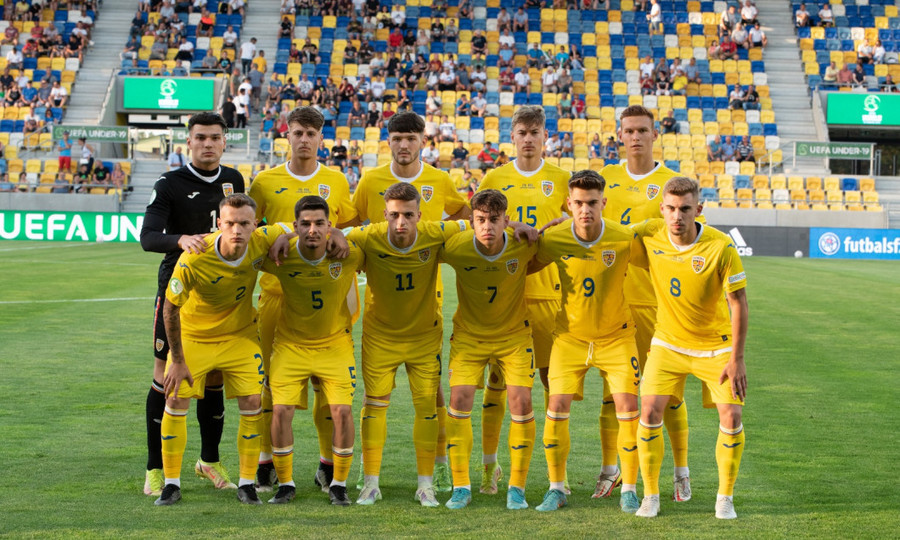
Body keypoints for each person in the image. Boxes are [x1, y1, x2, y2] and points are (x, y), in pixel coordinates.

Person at [348, 112, 471, 501]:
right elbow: (349, 224)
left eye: (411, 138)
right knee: (375, 400)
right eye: (397, 138)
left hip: (426, 302)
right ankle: (366, 478)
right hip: (382, 304)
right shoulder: (370, 181)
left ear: (423, 141)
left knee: (432, 395)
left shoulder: (439, 180)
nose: (404, 145)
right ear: (388, 141)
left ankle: (434, 471)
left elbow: (467, 218)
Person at [249, 106, 359, 492]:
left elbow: (345, 228)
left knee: (327, 387)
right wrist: (278, 230)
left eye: (311, 133)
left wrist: (343, 233)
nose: (304, 139)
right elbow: (252, 229)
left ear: (321, 138)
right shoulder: (264, 181)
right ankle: (266, 460)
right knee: (270, 385)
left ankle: (328, 463)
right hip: (278, 295)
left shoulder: (337, 179)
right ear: (288, 136)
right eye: (298, 132)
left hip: (328, 297)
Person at [139, 112, 246, 499]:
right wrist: (181, 238)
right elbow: (148, 236)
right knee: (166, 379)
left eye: (215, 138)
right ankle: (155, 468)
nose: (208, 144)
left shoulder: (235, 179)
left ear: (224, 141)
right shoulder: (169, 183)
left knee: (214, 376)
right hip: (177, 291)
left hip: (221, 298)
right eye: (200, 137)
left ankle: (209, 460)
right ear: (189, 142)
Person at [631, 177, 748, 520]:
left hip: (715, 347)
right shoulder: (650, 233)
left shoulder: (721, 246)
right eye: (670, 209)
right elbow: (606, 235)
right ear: (662, 209)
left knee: (732, 415)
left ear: (699, 210)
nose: (677, 216)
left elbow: (738, 303)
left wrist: (737, 359)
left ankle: (724, 497)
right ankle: (650, 495)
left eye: (685, 209)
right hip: (667, 343)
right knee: (649, 411)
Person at [154, 194, 281, 506]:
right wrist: (179, 360)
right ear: (219, 224)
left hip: (239, 336)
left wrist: (289, 238)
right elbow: (169, 310)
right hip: (195, 336)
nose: (237, 229)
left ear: (256, 225)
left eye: (244, 223)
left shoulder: (263, 240)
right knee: (176, 396)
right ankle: (171, 484)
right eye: (230, 223)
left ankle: (248, 484)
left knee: (253, 400)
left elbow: (296, 227)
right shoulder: (196, 256)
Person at [529, 170, 641, 514]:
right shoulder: (555, 239)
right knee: (556, 407)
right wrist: (527, 234)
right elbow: (521, 264)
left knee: (627, 409)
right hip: (570, 338)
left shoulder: (624, 238)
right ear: (568, 204)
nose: (585, 210)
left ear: (603, 203)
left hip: (617, 338)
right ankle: (556, 487)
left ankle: (630, 489)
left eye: (592, 203)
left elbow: (663, 264)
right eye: (578, 203)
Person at [476, 105, 570, 495]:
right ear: (511, 137)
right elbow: (477, 221)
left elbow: (579, 221)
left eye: (535, 132)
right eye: (522, 132)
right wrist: (516, 226)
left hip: (548, 295)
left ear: (545, 136)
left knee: (553, 386)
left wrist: (547, 229)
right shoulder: (495, 177)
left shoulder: (562, 179)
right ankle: (489, 469)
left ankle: (556, 478)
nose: (528, 138)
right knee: (497, 386)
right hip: (504, 296)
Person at [596, 105, 685, 500]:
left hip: (654, 303)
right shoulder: (604, 180)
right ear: (620, 135)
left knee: (664, 395)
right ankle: (609, 470)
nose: (635, 137)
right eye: (628, 130)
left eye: (642, 131)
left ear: (654, 135)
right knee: (612, 394)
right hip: (610, 301)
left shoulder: (672, 183)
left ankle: (680, 471)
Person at [440, 189, 539, 511]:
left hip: (514, 337)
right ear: (471, 221)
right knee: (459, 397)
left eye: (494, 220)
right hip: (469, 337)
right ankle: (460, 485)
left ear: (506, 220)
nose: (487, 227)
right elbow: (422, 236)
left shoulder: (523, 244)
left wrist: (543, 226)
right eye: (481, 220)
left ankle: (517, 487)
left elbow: (561, 236)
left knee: (521, 400)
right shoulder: (456, 247)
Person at [263, 196, 363, 506]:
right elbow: (241, 241)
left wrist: (342, 235)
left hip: (334, 345)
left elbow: (378, 233)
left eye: (320, 223)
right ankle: (286, 484)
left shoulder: (349, 254)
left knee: (342, 412)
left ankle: (339, 484)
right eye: (304, 224)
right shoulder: (280, 255)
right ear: (295, 226)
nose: (312, 230)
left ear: (330, 226)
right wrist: (284, 237)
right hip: (290, 346)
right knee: (281, 411)